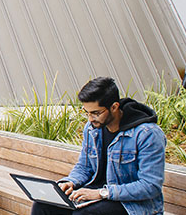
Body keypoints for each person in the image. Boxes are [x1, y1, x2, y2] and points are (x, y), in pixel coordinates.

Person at [31, 77, 166, 215]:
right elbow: (85, 167)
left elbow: (150, 186)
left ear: (114, 107)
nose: (90, 119)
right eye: (87, 112)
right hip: (95, 196)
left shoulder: (147, 134)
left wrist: (101, 193)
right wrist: (70, 182)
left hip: (132, 205)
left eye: (96, 113)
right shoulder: (92, 129)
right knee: (42, 205)